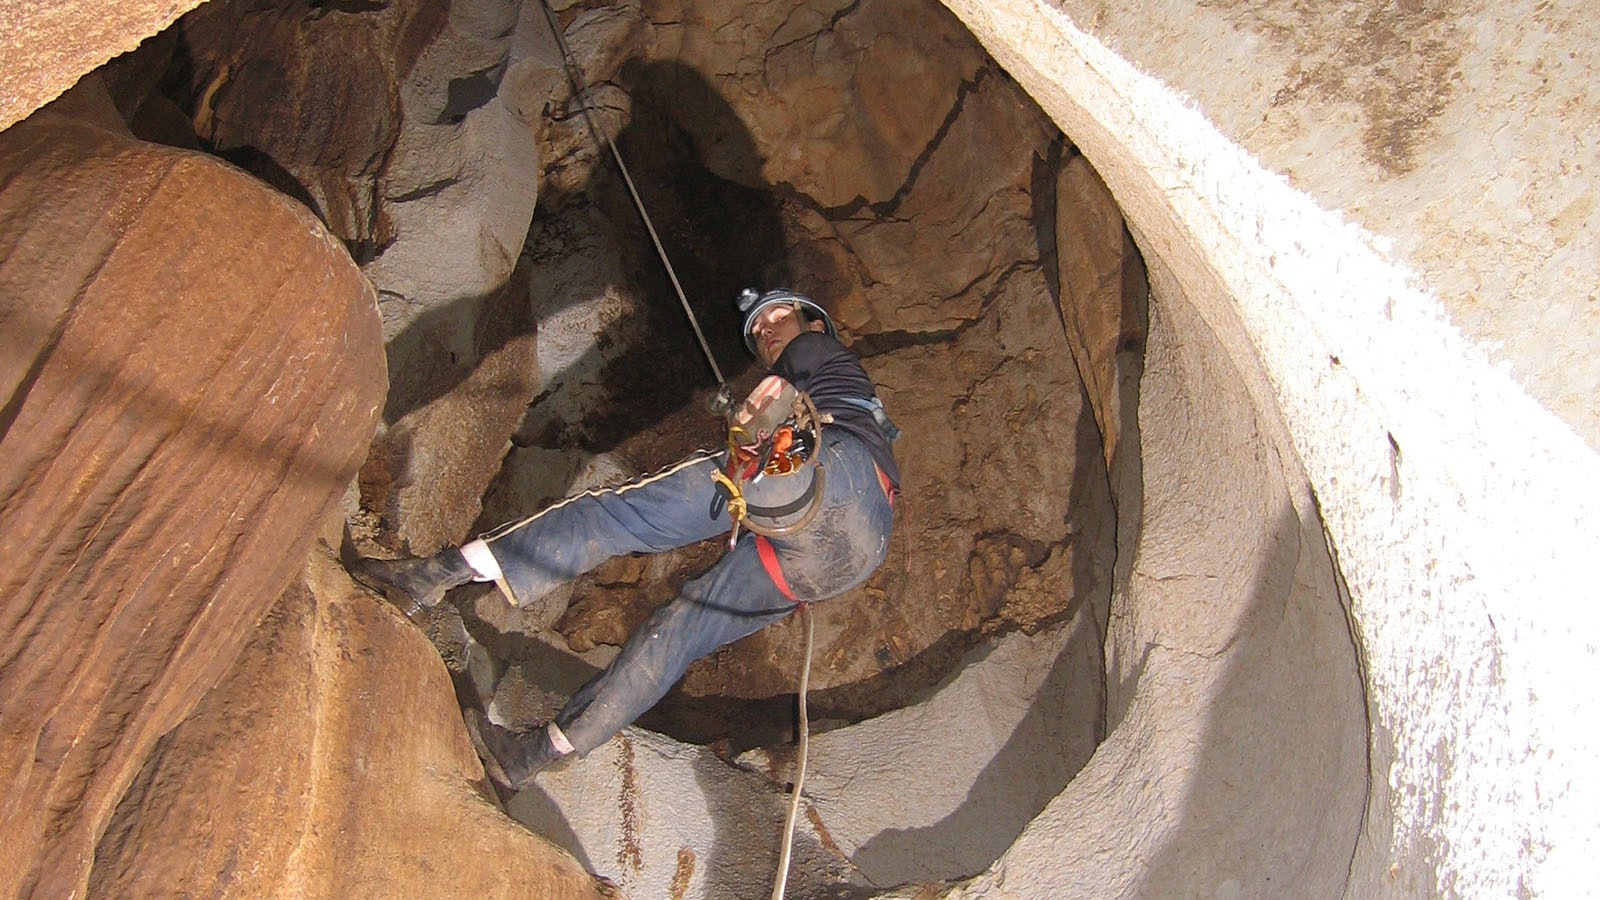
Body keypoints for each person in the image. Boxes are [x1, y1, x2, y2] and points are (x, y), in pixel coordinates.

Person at [354, 288, 900, 790]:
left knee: (617, 515)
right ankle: (536, 753)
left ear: (816, 326)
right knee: (677, 631)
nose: (769, 330)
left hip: (842, 475)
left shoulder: (817, 354)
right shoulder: (811, 378)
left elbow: (784, 388)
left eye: (780, 318)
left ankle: (432, 577)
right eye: (759, 331)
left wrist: (756, 417)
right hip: (840, 558)